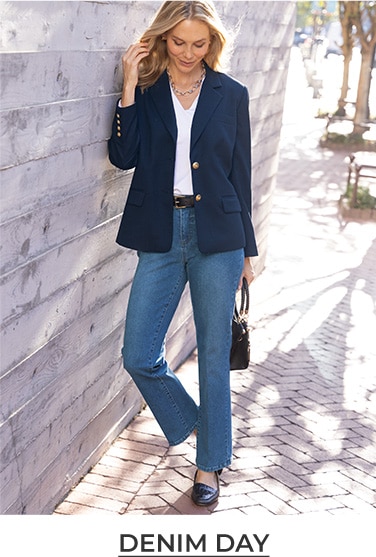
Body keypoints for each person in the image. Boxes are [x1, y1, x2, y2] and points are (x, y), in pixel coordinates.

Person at [108, 0, 257, 507]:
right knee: (138, 354)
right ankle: (205, 428)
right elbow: (122, 157)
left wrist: (249, 253)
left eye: (199, 43)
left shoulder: (231, 94)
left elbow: (242, 176)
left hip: (219, 235)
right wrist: (129, 82)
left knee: (214, 355)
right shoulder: (147, 92)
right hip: (161, 232)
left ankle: (209, 464)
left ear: (212, 42)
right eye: (179, 42)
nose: (189, 53)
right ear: (163, 37)